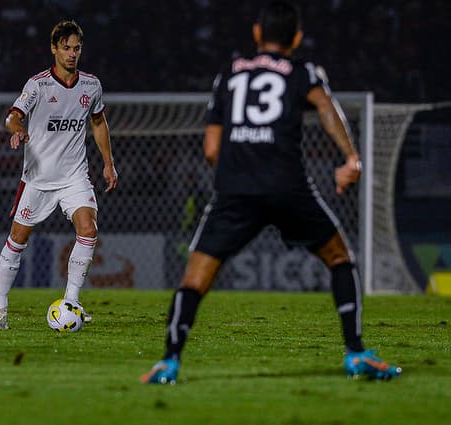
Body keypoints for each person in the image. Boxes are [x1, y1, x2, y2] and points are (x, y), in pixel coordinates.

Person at [141, 0, 401, 383]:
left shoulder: (229, 75)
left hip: (235, 191)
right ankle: (356, 352)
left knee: (194, 280)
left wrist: (240, 174)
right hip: (287, 186)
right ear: (296, 38)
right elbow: (327, 109)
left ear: (257, 33)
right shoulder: (304, 71)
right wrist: (350, 159)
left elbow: (211, 149)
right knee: (339, 258)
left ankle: (169, 361)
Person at [0, 20, 118, 329]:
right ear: (54, 49)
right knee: (17, 240)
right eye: (66, 48)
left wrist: (108, 163)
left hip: (74, 176)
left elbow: (98, 123)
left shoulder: (91, 85)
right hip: (38, 180)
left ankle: (71, 301)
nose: (72, 54)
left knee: (88, 230)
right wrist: (18, 129)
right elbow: (13, 115)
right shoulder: (38, 85)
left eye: (76, 48)